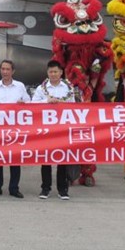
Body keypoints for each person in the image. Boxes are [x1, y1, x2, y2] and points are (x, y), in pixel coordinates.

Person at [31, 60, 76, 200]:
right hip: (46, 129)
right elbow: (33, 105)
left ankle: (63, 189)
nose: (53, 74)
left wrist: (61, 103)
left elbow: (73, 105)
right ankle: (45, 188)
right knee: (46, 159)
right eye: (51, 72)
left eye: (56, 71)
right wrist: (47, 101)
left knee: (62, 159)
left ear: (61, 72)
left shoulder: (68, 88)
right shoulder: (41, 88)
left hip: (62, 128)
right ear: (47, 73)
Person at [0, 59, 30, 198]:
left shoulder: (20, 86)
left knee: (14, 159)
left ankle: (14, 188)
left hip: (15, 128)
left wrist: (22, 103)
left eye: (8, 69)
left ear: (13, 71)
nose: (5, 72)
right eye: (3, 69)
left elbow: (29, 103)